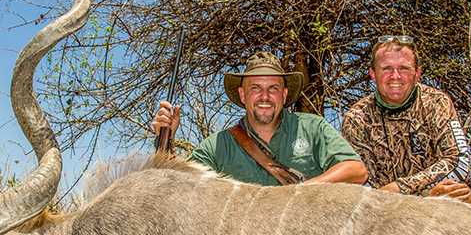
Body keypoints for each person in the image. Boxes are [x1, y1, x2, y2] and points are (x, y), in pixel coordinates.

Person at [152, 51, 368, 186]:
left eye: (273, 88)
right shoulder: (218, 146)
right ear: (243, 95)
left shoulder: (312, 128)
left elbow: (356, 170)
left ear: (284, 96)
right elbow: (180, 185)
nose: (265, 96)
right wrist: (166, 139)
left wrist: (304, 192)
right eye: (255, 88)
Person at [340, 35, 471, 204]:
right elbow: (364, 186)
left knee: (462, 194)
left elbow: (458, 162)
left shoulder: (437, 102)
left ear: (417, 74)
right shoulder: (357, 118)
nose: (395, 76)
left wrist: (400, 188)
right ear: (373, 75)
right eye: (386, 69)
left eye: (404, 68)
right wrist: (424, 196)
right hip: (389, 212)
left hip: (440, 200)